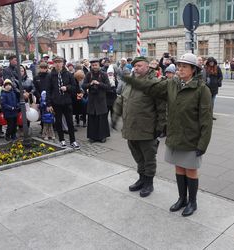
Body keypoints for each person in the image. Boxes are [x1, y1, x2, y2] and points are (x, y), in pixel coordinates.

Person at [122, 53, 212, 216]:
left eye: (185, 66)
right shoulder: (172, 84)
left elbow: (206, 120)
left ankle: (192, 202)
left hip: (192, 137)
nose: (180, 69)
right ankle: (181, 199)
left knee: (190, 170)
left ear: (193, 69)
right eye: (179, 66)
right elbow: (153, 89)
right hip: (175, 135)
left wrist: (203, 144)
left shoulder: (201, 89)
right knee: (179, 168)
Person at [112, 56, 166, 198]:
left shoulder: (154, 83)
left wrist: (160, 127)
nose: (136, 68)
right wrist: (115, 117)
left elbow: (162, 108)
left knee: (148, 157)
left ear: (147, 67)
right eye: (135, 66)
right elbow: (120, 101)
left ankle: (149, 182)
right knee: (137, 156)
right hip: (130, 127)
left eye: (140, 66)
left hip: (147, 128)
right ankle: (141, 179)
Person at [46, 56, 80, 149]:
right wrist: (48, 104)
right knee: (59, 122)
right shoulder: (50, 75)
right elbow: (48, 90)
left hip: (67, 101)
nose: (57, 64)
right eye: (56, 62)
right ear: (53, 63)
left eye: (59, 62)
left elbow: (74, 87)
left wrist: (67, 88)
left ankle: (73, 140)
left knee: (70, 122)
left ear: (63, 63)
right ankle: (62, 140)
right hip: (56, 102)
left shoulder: (68, 74)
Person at [82, 58, 111, 143]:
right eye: (93, 65)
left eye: (96, 65)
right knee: (92, 119)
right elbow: (83, 86)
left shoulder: (104, 74)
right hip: (91, 100)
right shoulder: (88, 74)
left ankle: (103, 136)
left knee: (102, 119)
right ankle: (92, 137)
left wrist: (99, 83)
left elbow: (108, 86)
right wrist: (90, 84)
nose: (94, 67)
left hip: (101, 100)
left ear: (99, 65)